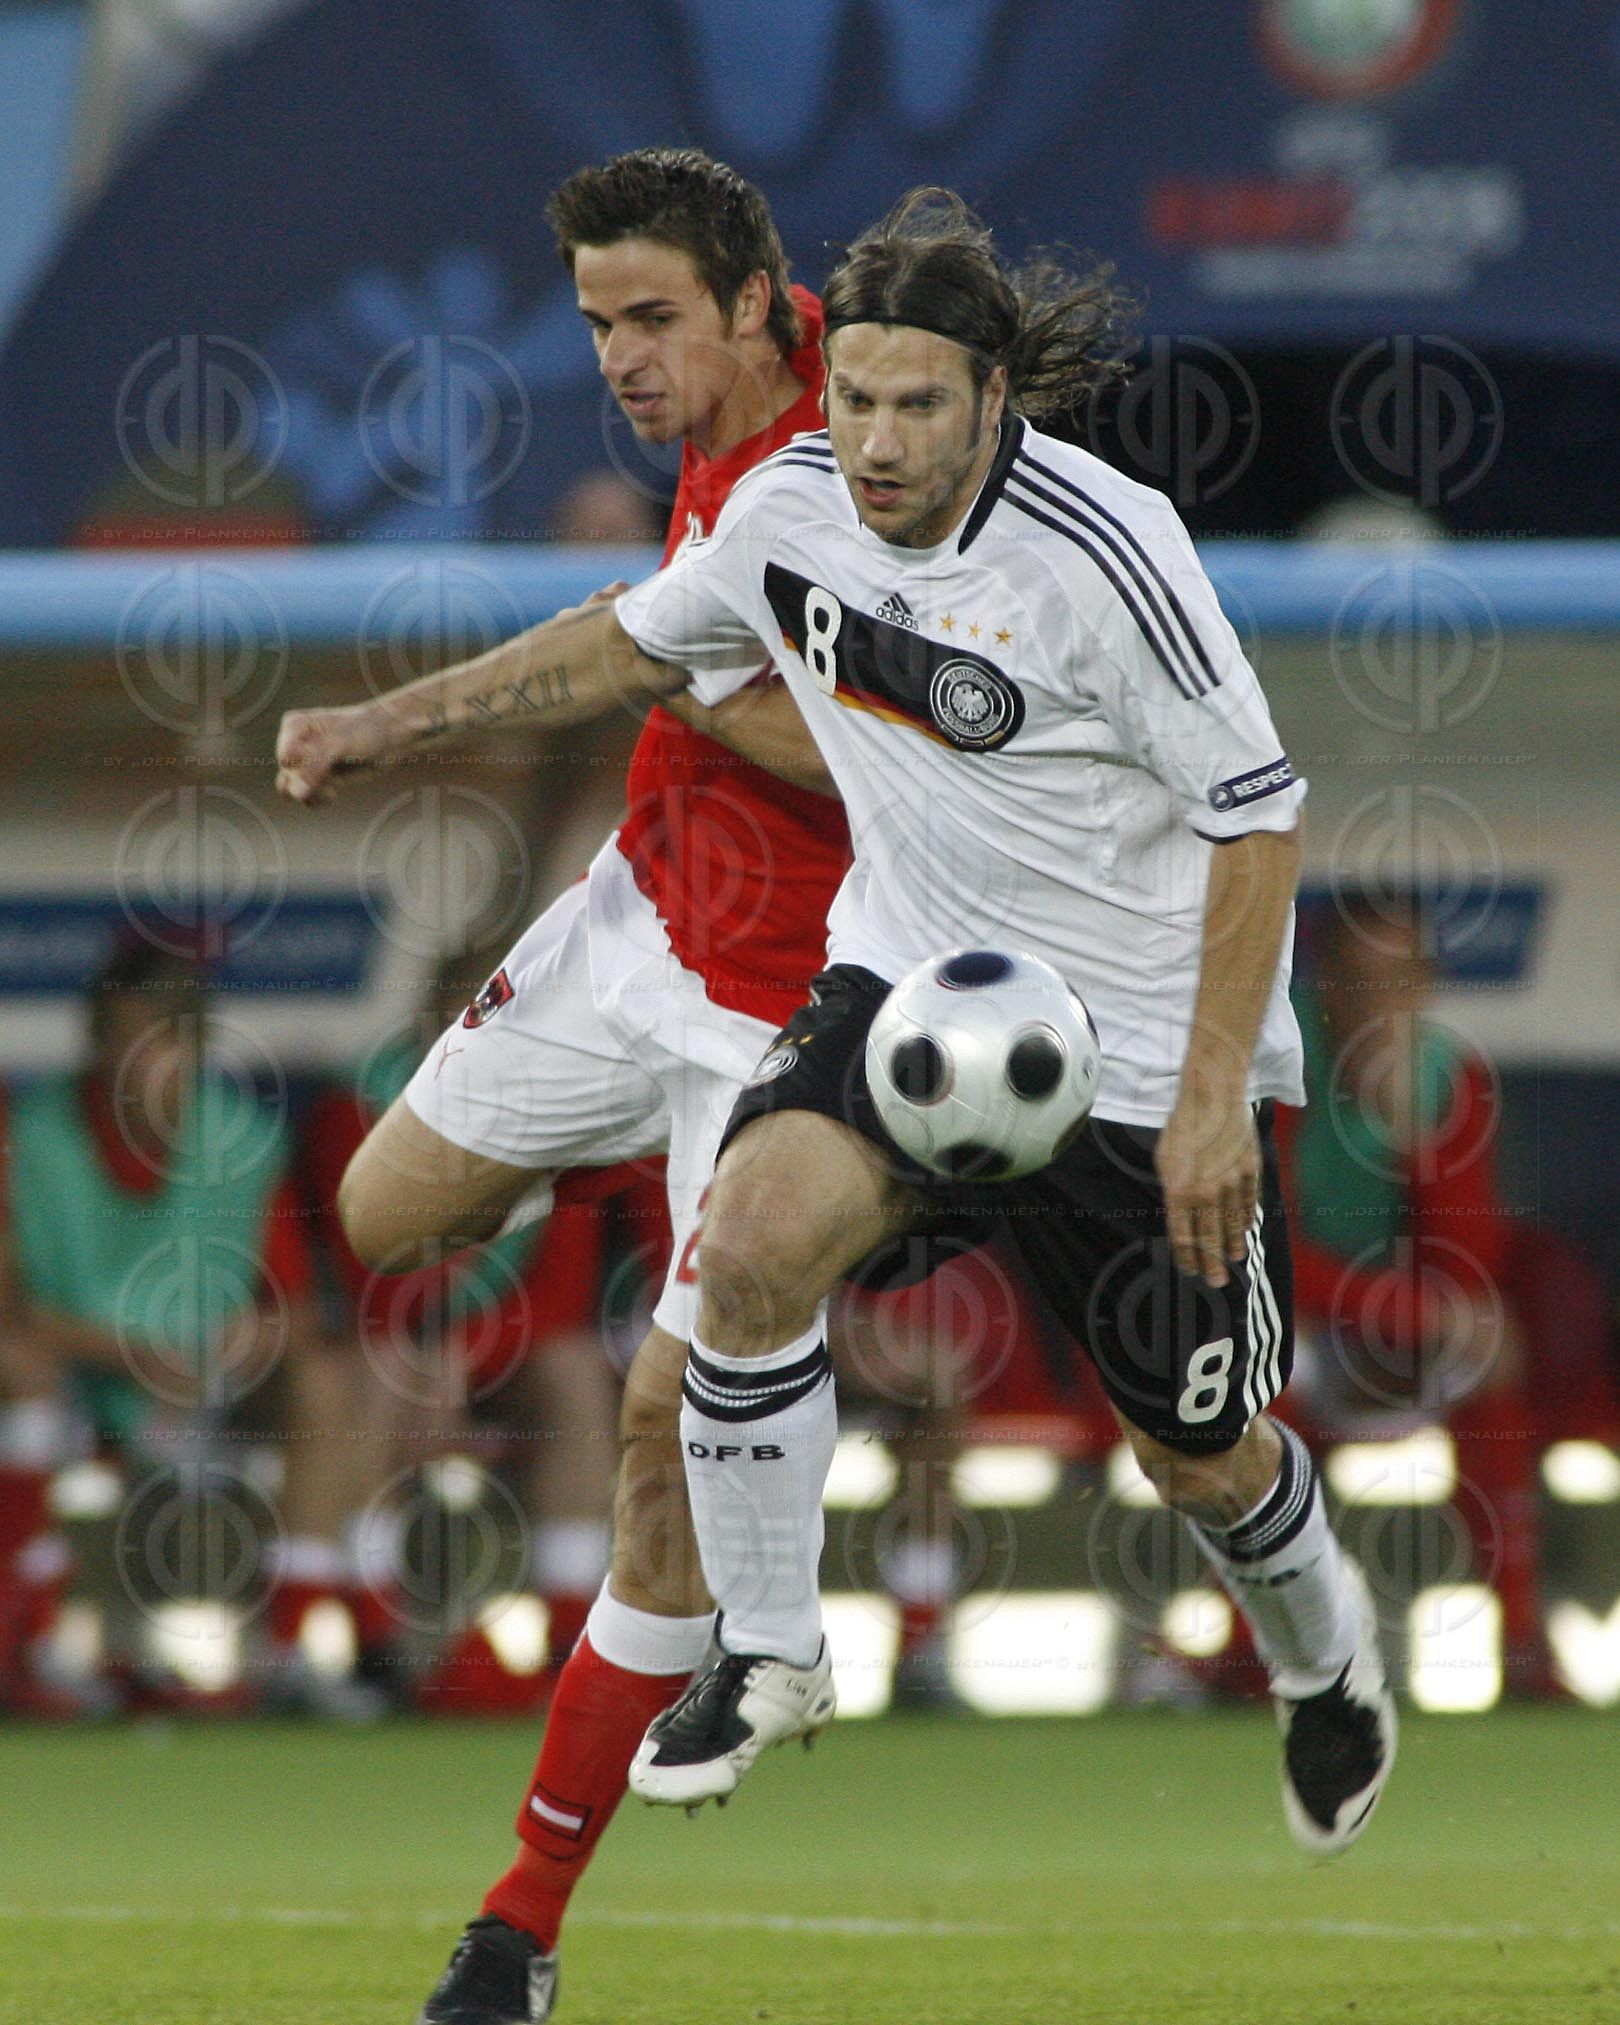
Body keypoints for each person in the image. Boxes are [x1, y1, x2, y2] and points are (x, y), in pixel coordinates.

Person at [593, 188, 1396, 1861]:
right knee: (750, 1244)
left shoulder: (1113, 550)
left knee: (1200, 1454)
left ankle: (1324, 1653)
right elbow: (641, 639)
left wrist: (1209, 1101)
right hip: (913, 988)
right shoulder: (785, 506)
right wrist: (401, 717)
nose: (878, 441)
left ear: (992, 397)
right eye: (853, 399)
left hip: (1134, 1050)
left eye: (918, 405)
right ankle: (771, 1649)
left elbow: (1257, 816)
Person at [275, 147, 849, 2022]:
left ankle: (515, 1929)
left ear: (754, 304)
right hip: (637, 924)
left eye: (650, 318)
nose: (619, 357)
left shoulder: (862, 457)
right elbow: (635, 635)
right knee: (382, 1213)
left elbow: (886, 758)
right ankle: (622, 1194)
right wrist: (389, 722)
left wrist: (672, 664)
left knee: (659, 1453)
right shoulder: (735, 405)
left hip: (788, 1020)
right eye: (600, 322)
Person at [0, 936, 335, 1714]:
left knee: (324, 1383)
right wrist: (133, 1356)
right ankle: (25, 1641)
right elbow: (14, 1312)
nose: (139, 1063)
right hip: (81, 1380)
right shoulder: (34, 1135)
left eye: (162, 1041)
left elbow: (293, 1310)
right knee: (21, 1368)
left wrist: (245, 1342)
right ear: (96, 1045)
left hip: (208, 1384)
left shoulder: (241, 1137)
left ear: (196, 1049)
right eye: (122, 1039)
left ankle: (292, 1655)